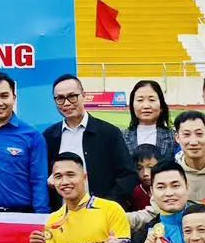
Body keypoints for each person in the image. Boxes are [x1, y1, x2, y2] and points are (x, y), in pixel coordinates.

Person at [43, 74, 136, 207]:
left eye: (72, 96)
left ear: (84, 95)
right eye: (60, 98)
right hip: (62, 214)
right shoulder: (49, 137)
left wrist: (106, 206)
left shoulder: (109, 133)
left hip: (101, 213)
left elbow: (128, 175)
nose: (66, 103)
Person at [0, 72, 49, 213]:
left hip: (21, 215)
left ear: (14, 97)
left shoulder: (32, 135)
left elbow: (39, 180)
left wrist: (41, 217)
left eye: (4, 96)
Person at [122, 79, 175, 160]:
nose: (146, 106)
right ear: (132, 106)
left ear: (161, 106)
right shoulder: (121, 137)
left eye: (152, 100)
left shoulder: (173, 137)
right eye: (140, 100)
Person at [130, 144, 160, 211]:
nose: (145, 173)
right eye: (140, 168)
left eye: (150, 167)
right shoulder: (136, 192)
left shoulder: (168, 189)